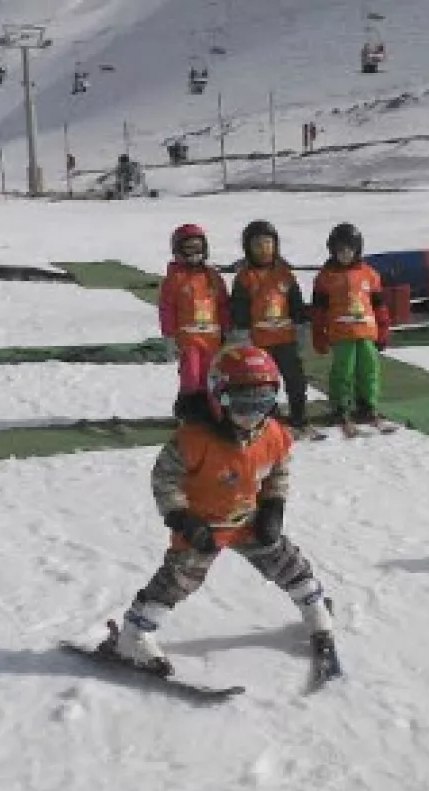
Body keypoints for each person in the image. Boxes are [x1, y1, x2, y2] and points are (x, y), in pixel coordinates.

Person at [100, 345, 337, 675]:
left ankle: (315, 610)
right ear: (218, 397)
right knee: (179, 580)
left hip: (248, 519)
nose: (252, 416)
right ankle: (134, 634)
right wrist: (183, 518)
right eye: (242, 405)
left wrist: (273, 506)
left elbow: (278, 470)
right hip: (203, 526)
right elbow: (164, 479)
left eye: (262, 404)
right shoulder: (193, 440)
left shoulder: (273, 434)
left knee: (286, 562)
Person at [228, 220, 318, 439]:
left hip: (286, 340)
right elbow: (240, 310)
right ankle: (267, 419)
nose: (263, 249)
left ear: (276, 245)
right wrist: (243, 338)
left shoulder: (285, 275)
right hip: (260, 343)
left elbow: (296, 304)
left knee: (296, 380)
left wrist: (302, 327)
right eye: (257, 244)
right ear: (248, 248)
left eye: (268, 243)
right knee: (263, 383)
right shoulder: (244, 278)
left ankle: (299, 417)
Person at [310, 222, 392, 435]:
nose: (345, 254)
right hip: (341, 334)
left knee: (369, 369)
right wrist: (318, 334)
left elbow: (379, 306)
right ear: (332, 250)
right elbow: (319, 311)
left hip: (367, 333)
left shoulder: (370, 274)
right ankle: (340, 406)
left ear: (357, 249)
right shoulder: (326, 277)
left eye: (349, 249)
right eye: (340, 250)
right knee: (343, 370)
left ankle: (367, 405)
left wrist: (383, 330)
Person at [158, 223, 229, 414]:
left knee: (212, 375)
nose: (194, 253)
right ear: (178, 250)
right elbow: (167, 309)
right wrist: (169, 336)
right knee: (191, 375)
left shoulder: (213, 276)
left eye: (198, 247)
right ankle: (187, 408)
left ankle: (211, 408)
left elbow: (222, 305)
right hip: (188, 340)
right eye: (189, 248)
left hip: (212, 339)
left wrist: (227, 329)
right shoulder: (175, 278)